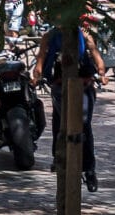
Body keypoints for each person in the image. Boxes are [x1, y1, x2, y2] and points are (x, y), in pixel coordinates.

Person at [37, 12, 106, 191]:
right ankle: (58, 157)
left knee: (84, 124)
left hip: (84, 85)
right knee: (59, 120)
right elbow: (40, 60)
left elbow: (96, 56)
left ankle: (89, 169)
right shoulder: (49, 37)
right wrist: (36, 76)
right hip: (60, 85)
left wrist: (101, 72)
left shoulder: (84, 34)